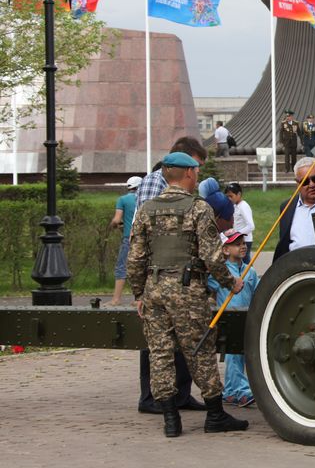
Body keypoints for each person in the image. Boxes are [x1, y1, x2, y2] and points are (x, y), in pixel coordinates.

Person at [127, 151, 248, 437]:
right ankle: (215, 415)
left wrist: (139, 294)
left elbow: (135, 257)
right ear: (189, 173)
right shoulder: (199, 209)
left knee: (160, 353)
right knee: (200, 350)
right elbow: (212, 256)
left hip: (155, 290)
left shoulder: (146, 209)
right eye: (196, 171)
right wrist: (230, 282)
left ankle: (171, 420)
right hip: (188, 291)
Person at [134, 137, 209, 416]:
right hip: (159, 274)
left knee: (183, 336)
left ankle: (181, 395)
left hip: (181, 275)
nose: (198, 173)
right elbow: (144, 234)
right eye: (196, 166)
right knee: (157, 343)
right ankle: (151, 397)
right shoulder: (154, 184)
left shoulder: (187, 193)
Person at [208, 230, 259, 408]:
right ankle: (241, 391)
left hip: (246, 319)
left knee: (242, 356)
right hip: (228, 320)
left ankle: (230, 391)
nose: (242, 246)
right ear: (225, 250)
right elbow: (207, 285)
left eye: (243, 243)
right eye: (237, 244)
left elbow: (257, 293)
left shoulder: (250, 271)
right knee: (233, 357)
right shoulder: (221, 273)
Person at [274, 157, 315, 260]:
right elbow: (284, 242)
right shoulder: (286, 207)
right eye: (305, 181)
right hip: (296, 265)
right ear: (297, 183)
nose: (312, 185)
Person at [108, 175, 142, 305]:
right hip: (143, 237)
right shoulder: (144, 198)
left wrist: (113, 225)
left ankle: (116, 299)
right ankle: (139, 299)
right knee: (141, 267)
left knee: (121, 267)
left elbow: (117, 220)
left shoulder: (123, 199)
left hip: (129, 237)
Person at [225, 183, 255, 264]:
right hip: (238, 240)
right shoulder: (235, 206)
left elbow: (251, 226)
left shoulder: (243, 206)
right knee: (239, 263)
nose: (229, 198)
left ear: (239, 194)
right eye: (227, 196)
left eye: (231, 196)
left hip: (245, 241)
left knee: (245, 264)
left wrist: (237, 233)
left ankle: (250, 273)